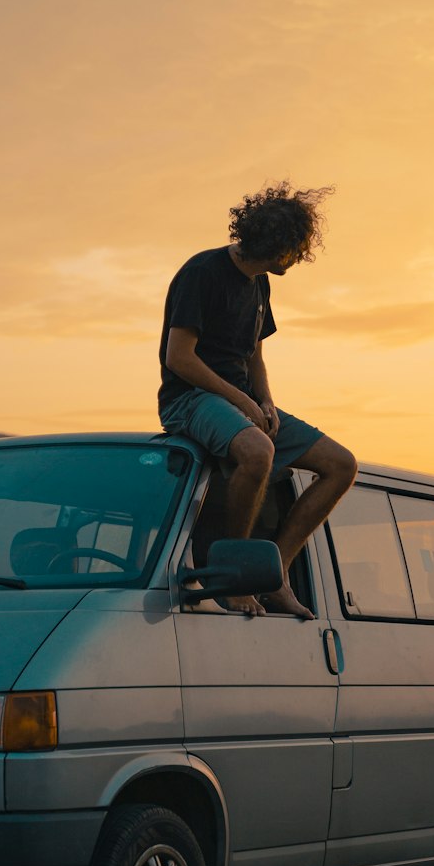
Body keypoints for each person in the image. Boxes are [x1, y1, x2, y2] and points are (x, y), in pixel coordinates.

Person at [158, 181, 357, 617]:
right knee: (257, 450)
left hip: (239, 401)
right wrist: (242, 403)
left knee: (341, 465)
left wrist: (264, 400)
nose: (298, 258)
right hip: (190, 399)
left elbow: (255, 357)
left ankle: (276, 574)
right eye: (296, 249)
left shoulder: (260, 285)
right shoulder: (202, 272)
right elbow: (179, 358)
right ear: (277, 244)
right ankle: (232, 578)